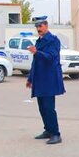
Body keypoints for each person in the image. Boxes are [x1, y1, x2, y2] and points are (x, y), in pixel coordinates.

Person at [25, 16, 65, 145]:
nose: (38, 29)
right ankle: (48, 130)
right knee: (42, 107)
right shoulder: (39, 41)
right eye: (37, 27)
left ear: (46, 26)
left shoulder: (53, 41)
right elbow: (35, 62)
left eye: (40, 26)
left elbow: (50, 57)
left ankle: (56, 134)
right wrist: (30, 78)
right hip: (40, 79)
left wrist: (37, 52)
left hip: (49, 79)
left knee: (49, 108)